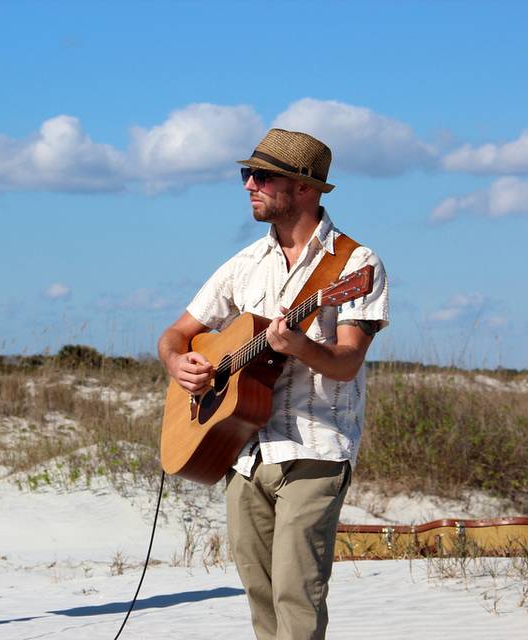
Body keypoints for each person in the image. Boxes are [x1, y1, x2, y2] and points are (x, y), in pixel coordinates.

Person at [157, 128, 389, 640]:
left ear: (304, 188)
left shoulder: (355, 265)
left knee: (296, 594)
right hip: (241, 452)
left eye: (262, 176)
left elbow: (347, 362)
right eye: (247, 174)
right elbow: (176, 334)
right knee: (261, 598)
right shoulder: (243, 265)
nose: (248, 185)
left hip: (315, 449)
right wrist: (179, 364)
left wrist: (299, 347)